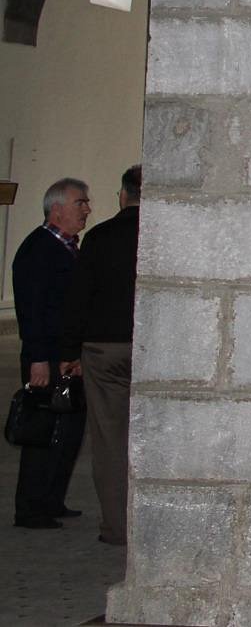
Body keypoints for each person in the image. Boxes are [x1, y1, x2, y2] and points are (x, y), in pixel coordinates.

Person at [62, 164, 140, 545]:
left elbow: (80, 297)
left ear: (123, 196)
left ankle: (117, 527)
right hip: (149, 348)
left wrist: (68, 350)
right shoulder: (164, 234)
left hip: (104, 347)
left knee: (109, 440)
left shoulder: (100, 237)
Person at [11, 178, 89, 529]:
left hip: (65, 356)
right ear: (57, 210)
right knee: (42, 431)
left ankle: (52, 499)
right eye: (80, 203)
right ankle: (31, 508)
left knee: (67, 430)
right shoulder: (39, 249)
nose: (87, 209)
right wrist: (38, 358)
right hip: (47, 357)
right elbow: (32, 310)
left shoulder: (67, 247)